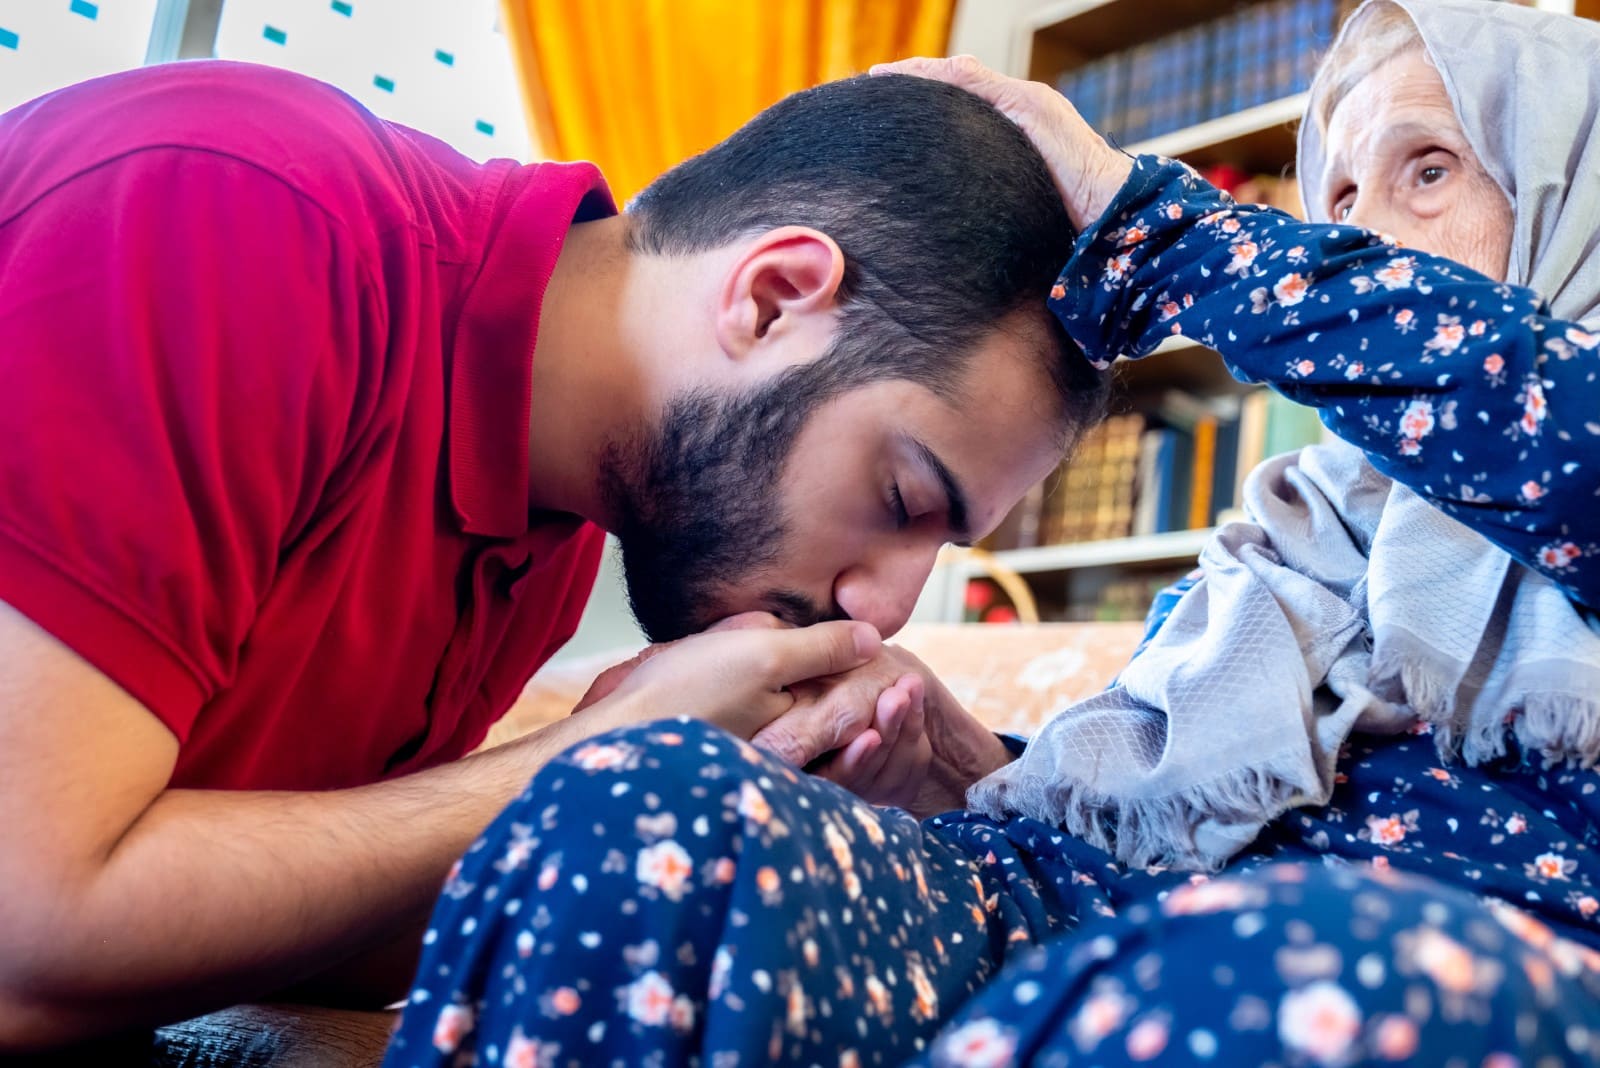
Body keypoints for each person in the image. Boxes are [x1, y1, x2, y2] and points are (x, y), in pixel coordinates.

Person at [380, 3, 1600, 1066]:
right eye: (1332, 192)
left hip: (1370, 983)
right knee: (647, 809)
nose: (1356, 233)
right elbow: (1133, 833)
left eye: (1427, 170)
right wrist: (960, 769)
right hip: (1111, 950)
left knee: (1329, 967)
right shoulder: (1279, 551)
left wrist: (1147, 225)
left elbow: (1542, 422)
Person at [0, 60, 1107, 1048]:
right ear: (774, 298)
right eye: (902, 494)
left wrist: (792, 810)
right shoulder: (232, 210)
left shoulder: (567, 520)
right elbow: (25, 925)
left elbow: (309, 927)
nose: (887, 607)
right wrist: (595, 759)